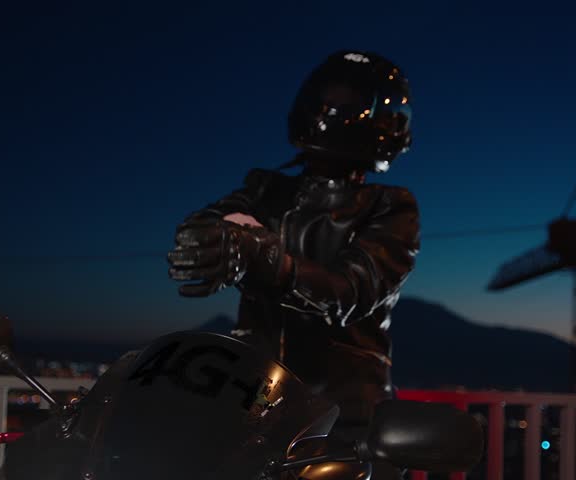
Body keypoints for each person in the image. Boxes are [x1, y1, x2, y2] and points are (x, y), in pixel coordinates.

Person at [167, 50, 420, 474]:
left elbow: (353, 290)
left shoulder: (390, 207)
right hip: (252, 410)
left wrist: (265, 258)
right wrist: (213, 236)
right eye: (328, 98)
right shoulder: (264, 189)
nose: (330, 109)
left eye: (346, 100)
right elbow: (206, 223)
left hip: (345, 423)